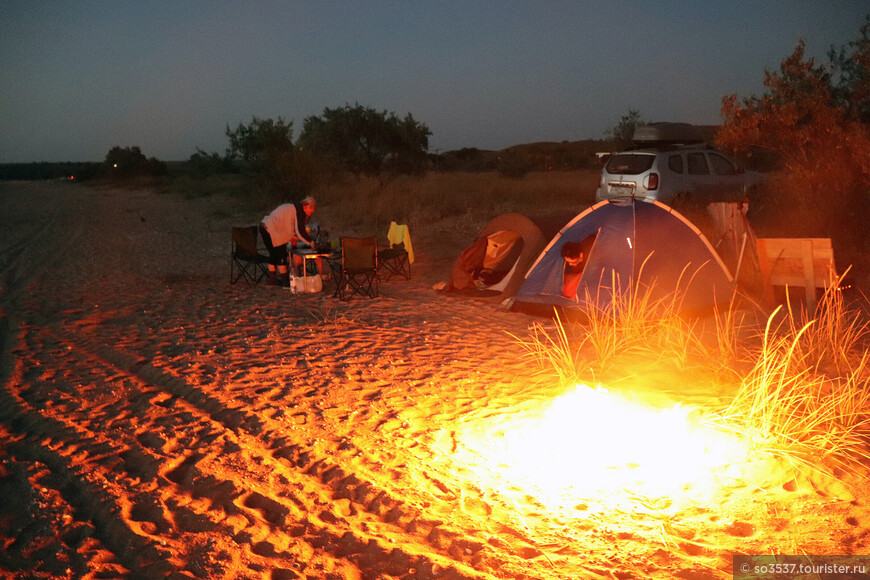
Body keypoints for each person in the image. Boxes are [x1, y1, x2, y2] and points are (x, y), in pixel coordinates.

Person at [259, 196, 317, 286]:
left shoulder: (292, 207)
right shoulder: (299, 210)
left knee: (273, 254)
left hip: (264, 226)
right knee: (281, 254)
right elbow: (300, 231)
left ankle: (273, 280)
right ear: (306, 206)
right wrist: (311, 243)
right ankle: (285, 282)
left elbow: (290, 226)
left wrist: (293, 236)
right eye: (311, 211)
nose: (310, 214)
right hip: (272, 230)